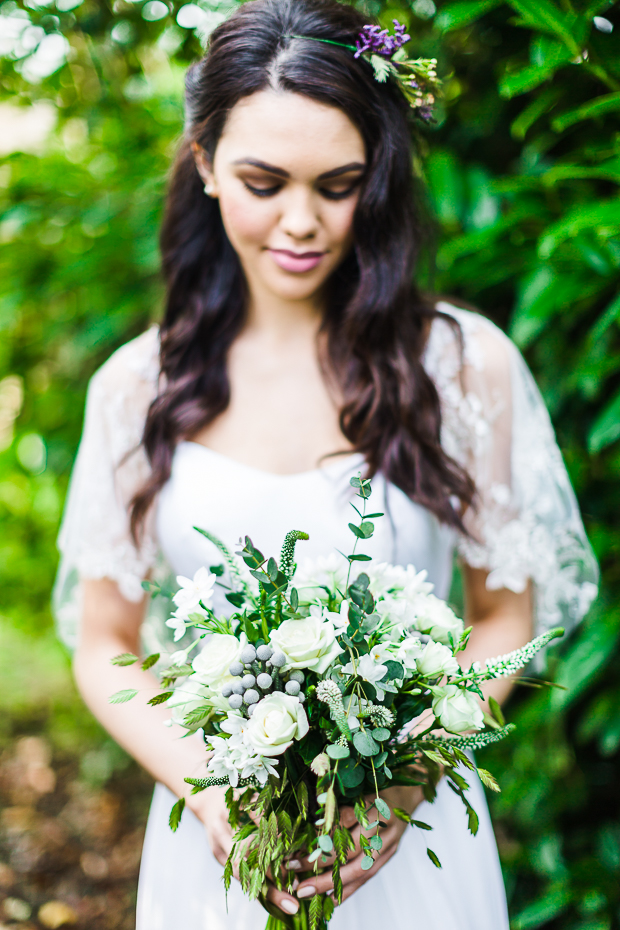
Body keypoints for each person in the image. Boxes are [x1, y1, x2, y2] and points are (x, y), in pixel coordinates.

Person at [52, 0, 598, 927]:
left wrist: (404, 782)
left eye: (338, 184)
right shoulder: (136, 387)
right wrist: (217, 793)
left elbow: (506, 614)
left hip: (412, 850)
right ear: (204, 164)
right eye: (264, 181)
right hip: (215, 849)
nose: (300, 222)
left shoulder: (463, 366)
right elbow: (105, 639)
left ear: (375, 180)